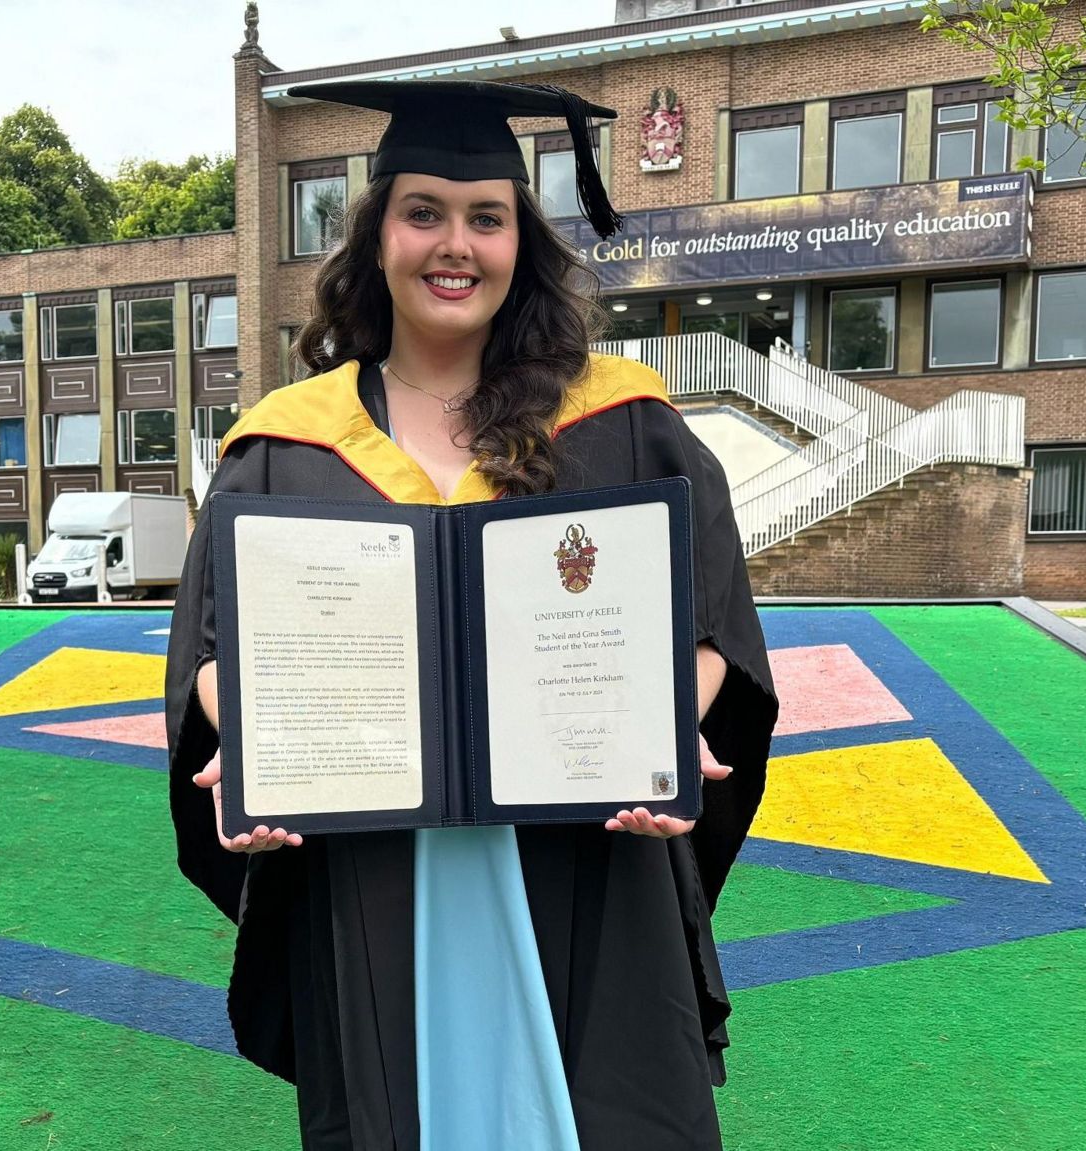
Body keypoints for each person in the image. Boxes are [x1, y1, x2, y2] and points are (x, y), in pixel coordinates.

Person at [164, 78, 778, 1150]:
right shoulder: (278, 445)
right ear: (377, 235)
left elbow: (708, 616)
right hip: (374, 856)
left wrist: (651, 736)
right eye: (423, 213)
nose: (455, 245)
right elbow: (215, 645)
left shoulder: (624, 418)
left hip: (586, 841)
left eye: (485, 218)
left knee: (608, 1106)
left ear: (517, 242)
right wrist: (255, 742)